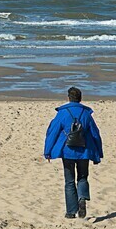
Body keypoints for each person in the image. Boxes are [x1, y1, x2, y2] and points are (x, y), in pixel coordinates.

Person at [43, 87, 103, 219]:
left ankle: (71, 212)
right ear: (80, 98)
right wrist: (98, 153)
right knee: (82, 177)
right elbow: (95, 134)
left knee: (69, 181)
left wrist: (47, 151)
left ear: (69, 98)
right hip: (84, 151)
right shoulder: (86, 114)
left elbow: (52, 132)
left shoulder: (62, 113)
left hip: (67, 151)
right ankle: (82, 198)